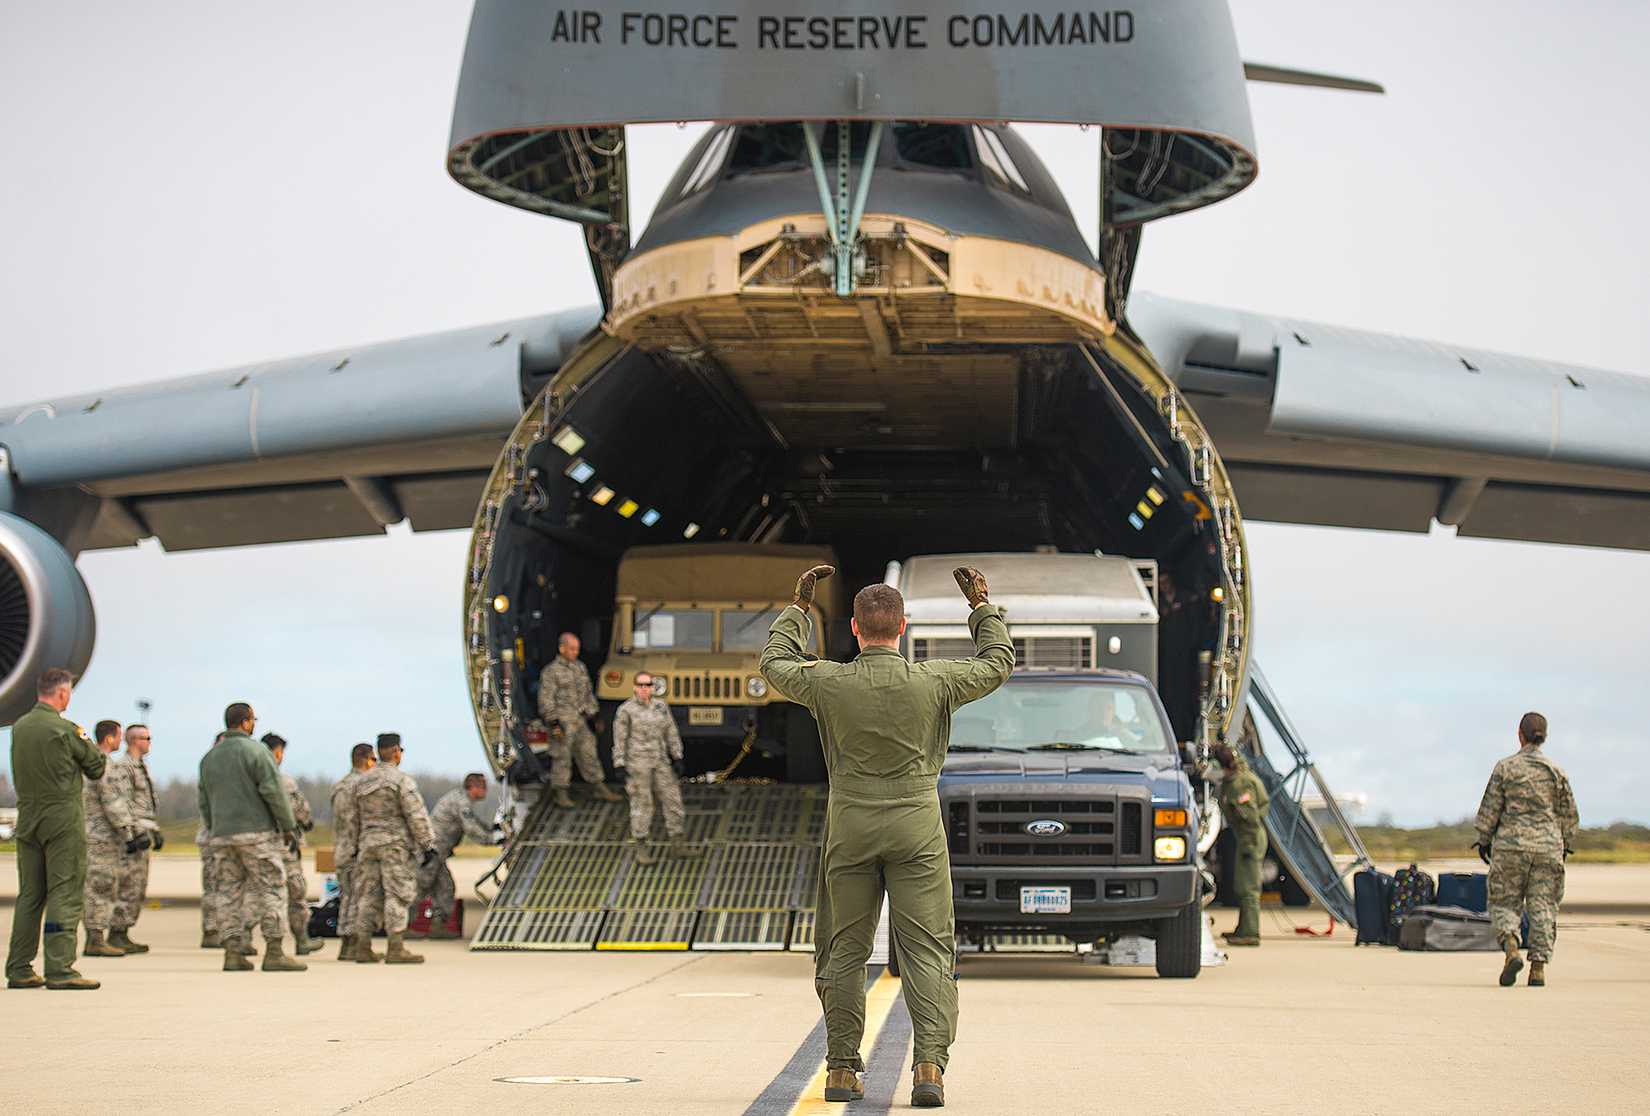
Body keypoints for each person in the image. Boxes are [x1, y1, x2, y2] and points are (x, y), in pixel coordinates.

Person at [760, 564, 1013, 1109]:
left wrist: (799, 609)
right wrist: (981, 609)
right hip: (916, 823)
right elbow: (997, 663)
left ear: (854, 628)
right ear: (903, 628)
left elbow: (774, 664)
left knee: (844, 950)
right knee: (926, 949)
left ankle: (844, 1070)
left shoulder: (828, 681)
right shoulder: (935, 680)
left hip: (850, 821)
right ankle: (928, 1066)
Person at [5, 669, 107, 990]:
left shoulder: (20, 728)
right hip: (61, 818)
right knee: (65, 890)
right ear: (62, 694)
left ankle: (19, 967)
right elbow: (96, 766)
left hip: (28, 817)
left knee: (30, 894)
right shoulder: (65, 730)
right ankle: (60, 967)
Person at [197, 703, 306, 972]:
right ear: (246, 723)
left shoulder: (210, 758)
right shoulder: (257, 751)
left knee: (228, 893)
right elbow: (273, 791)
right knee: (271, 889)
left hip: (222, 835)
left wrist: (215, 827)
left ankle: (233, 952)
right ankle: (274, 951)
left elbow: (204, 800)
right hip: (257, 834)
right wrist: (288, 826)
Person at [1474, 711, 1579, 988]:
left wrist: (1484, 839)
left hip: (1511, 847)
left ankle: (1511, 948)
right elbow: (1569, 814)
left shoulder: (1505, 768)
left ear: (1519, 735)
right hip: (1547, 848)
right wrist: (1565, 844)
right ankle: (1538, 968)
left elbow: (1490, 808)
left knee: (1504, 903)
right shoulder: (1557, 772)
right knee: (1543, 907)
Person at [349, 733, 436, 964]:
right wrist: (428, 844)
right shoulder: (401, 781)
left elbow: (352, 818)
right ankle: (395, 947)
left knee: (369, 894)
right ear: (396, 751)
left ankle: (363, 946)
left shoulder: (362, 781)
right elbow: (415, 815)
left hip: (367, 844)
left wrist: (355, 845)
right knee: (397, 894)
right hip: (394, 845)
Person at [611, 672, 699, 866]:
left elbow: (671, 731)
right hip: (637, 763)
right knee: (642, 805)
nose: (644, 688)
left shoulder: (660, 707)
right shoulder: (626, 710)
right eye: (640, 685)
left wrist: (677, 756)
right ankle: (641, 848)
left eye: (648, 685)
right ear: (634, 687)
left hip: (660, 761)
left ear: (652, 687)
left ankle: (678, 844)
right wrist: (619, 763)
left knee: (673, 800)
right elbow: (619, 738)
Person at [82, 719, 145, 959]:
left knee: (104, 885)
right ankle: (95, 939)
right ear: (109, 738)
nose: (120, 741)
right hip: (101, 836)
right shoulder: (101, 764)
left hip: (97, 834)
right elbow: (113, 802)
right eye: (118, 736)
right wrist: (128, 833)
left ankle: (98, 936)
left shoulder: (94, 763)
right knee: (100, 885)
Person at [537, 632, 620, 808]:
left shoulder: (579, 668)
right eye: (572, 649)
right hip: (562, 721)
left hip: (579, 720)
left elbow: (587, 693)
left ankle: (598, 786)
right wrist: (553, 722)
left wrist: (594, 714)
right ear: (562, 648)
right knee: (562, 756)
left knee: (588, 752)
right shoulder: (551, 672)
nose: (575, 652)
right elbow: (546, 699)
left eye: (577, 649)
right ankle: (561, 793)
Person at [415, 773, 499, 939]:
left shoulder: (461, 800)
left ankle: (439, 926)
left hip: (438, 853)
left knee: (445, 887)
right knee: (419, 886)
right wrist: (494, 839)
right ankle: (402, 927)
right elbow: (471, 829)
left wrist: (492, 830)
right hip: (432, 852)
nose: (486, 791)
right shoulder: (461, 802)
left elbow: (475, 822)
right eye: (483, 787)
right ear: (473, 787)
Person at [263, 734, 322, 955]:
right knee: (296, 892)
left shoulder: (251, 781)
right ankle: (301, 939)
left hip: (260, 844)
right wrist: (305, 823)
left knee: (259, 892)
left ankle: (242, 940)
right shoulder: (283, 781)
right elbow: (301, 811)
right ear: (277, 752)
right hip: (285, 844)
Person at [109, 724, 162, 954]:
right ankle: (116, 932)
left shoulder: (141, 767)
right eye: (146, 737)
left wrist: (154, 829)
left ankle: (122, 932)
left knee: (137, 886)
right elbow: (122, 803)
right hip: (131, 836)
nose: (149, 741)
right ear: (133, 740)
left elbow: (144, 805)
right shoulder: (123, 767)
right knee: (128, 885)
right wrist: (133, 833)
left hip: (143, 830)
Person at [1213, 742, 1269, 947]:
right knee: (1241, 884)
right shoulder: (1237, 778)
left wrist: (1248, 844)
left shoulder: (1239, 785)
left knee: (1248, 888)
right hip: (1247, 837)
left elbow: (1250, 817)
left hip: (1250, 838)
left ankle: (1251, 932)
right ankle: (1243, 928)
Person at [331, 742, 374, 960]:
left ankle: (346, 945)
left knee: (347, 897)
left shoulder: (340, 785)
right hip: (356, 848)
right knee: (359, 898)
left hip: (341, 849)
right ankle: (355, 944)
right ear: (366, 760)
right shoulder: (362, 785)